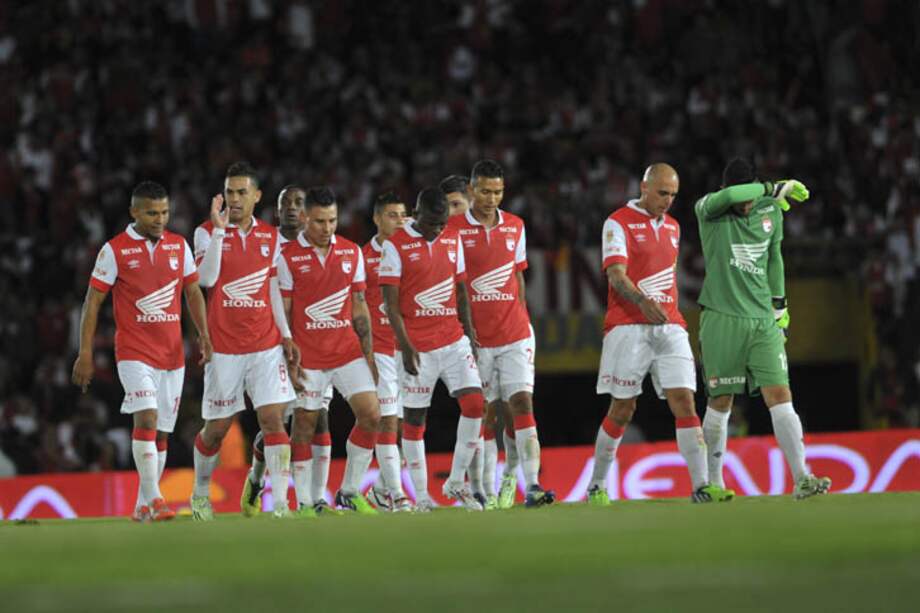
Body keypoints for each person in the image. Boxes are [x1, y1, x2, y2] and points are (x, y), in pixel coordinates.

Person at [587, 164, 734, 505]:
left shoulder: (673, 227)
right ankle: (596, 484)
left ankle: (702, 486)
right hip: (628, 327)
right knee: (623, 408)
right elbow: (615, 274)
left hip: (670, 326)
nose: (668, 201)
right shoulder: (618, 222)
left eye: (673, 195)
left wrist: (660, 310)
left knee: (684, 400)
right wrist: (641, 301)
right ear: (644, 187)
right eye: (662, 193)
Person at [72, 181, 212, 521]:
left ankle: (141, 506)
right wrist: (85, 353)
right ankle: (157, 500)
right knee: (146, 418)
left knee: (161, 431)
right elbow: (92, 303)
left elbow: (192, 292)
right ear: (134, 212)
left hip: (172, 355)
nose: (159, 219)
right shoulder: (115, 250)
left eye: (164, 212)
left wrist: (203, 335)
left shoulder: (179, 247)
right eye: (151, 213)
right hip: (134, 352)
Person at [695, 158, 831, 500]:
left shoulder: (770, 209)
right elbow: (739, 193)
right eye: (741, 196)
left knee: (781, 395)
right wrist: (774, 186)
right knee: (721, 401)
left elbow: (774, 258)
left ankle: (803, 478)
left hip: (762, 320)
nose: (746, 203)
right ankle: (714, 483)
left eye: (751, 196)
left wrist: (780, 304)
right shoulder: (709, 209)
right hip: (722, 317)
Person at [190, 162, 299, 520]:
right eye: (229, 192)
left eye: (241, 192)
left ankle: (281, 503)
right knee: (216, 431)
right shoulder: (205, 233)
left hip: (265, 346)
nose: (234, 199)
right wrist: (220, 233)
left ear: (256, 196)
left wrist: (285, 335)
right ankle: (201, 494)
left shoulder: (271, 237)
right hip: (224, 349)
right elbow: (206, 280)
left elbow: (271, 289)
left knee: (273, 421)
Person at [448, 159, 554, 509]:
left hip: (515, 334)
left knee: (522, 403)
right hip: (477, 340)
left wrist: (520, 314)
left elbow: (518, 275)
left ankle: (532, 483)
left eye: (498, 192)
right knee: (488, 415)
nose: (492, 198)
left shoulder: (516, 226)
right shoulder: (453, 230)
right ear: (471, 190)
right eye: (485, 191)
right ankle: (486, 488)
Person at [380, 187, 485, 511]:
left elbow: (461, 290)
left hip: (453, 340)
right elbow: (390, 304)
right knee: (414, 418)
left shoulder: (452, 238)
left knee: (475, 404)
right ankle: (422, 496)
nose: (437, 230)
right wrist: (406, 346)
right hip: (416, 345)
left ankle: (455, 482)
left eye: (442, 224)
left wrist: (470, 333)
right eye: (431, 223)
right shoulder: (395, 245)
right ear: (417, 212)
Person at [278, 186, 381, 514]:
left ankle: (350, 491)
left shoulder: (352, 252)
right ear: (306, 217)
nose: (327, 227)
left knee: (372, 415)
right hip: (309, 357)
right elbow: (285, 311)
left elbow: (360, 306)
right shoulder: (289, 257)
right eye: (320, 221)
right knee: (305, 426)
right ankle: (306, 501)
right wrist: (289, 358)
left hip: (347, 352)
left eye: (333, 220)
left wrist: (368, 354)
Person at [240, 185, 336, 516]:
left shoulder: (324, 245)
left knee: (318, 419)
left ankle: (315, 499)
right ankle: (256, 478)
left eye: (299, 202)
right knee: (277, 425)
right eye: (286, 204)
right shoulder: (267, 246)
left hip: (316, 345)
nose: (293, 208)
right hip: (273, 346)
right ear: (277, 210)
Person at [362, 192, 413, 512]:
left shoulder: (411, 252)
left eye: (403, 214)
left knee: (411, 431)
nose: (399, 220)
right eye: (392, 215)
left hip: (408, 349)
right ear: (377, 218)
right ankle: (396, 493)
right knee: (388, 422)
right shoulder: (362, 256)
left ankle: (380, 491)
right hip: (379, 349)